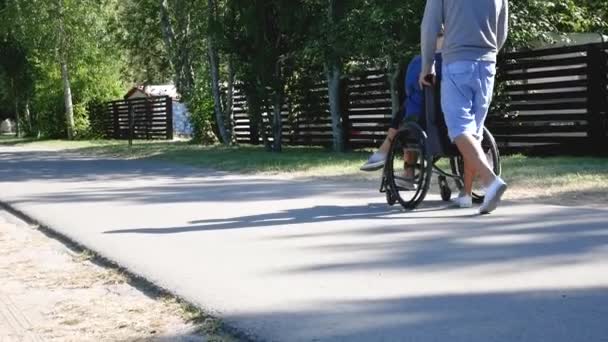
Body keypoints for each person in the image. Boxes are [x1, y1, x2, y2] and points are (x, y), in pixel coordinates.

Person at [420, 0, 509, 214]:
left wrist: (427, 65)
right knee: (474, 131)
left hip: (457, 61)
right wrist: (489, 54)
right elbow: (502, 32)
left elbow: (430, 26)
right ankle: (469, 194)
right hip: (487, 64)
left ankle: (490, 180)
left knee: (459, 128)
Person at [360, 35, 444, 191]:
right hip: (452, 124)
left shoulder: (419, 62)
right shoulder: (459, 63)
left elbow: (409, 89)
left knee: (407, 112)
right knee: (409, 110)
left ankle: (403, 169)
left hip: (423, 122)